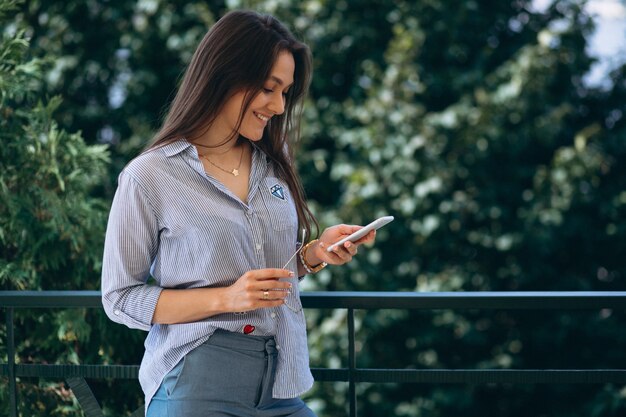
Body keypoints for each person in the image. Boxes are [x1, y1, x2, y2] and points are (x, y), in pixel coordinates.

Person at [101, 9, 376, 417]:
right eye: (270, 88)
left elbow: (261, 268)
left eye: (286, 92)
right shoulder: (150, 176)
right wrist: (226, 298)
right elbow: (120, 297)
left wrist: (314, 254)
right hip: (197, 380)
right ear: (225, 76)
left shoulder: (272, 162)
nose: (280, 106)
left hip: (279, 379)